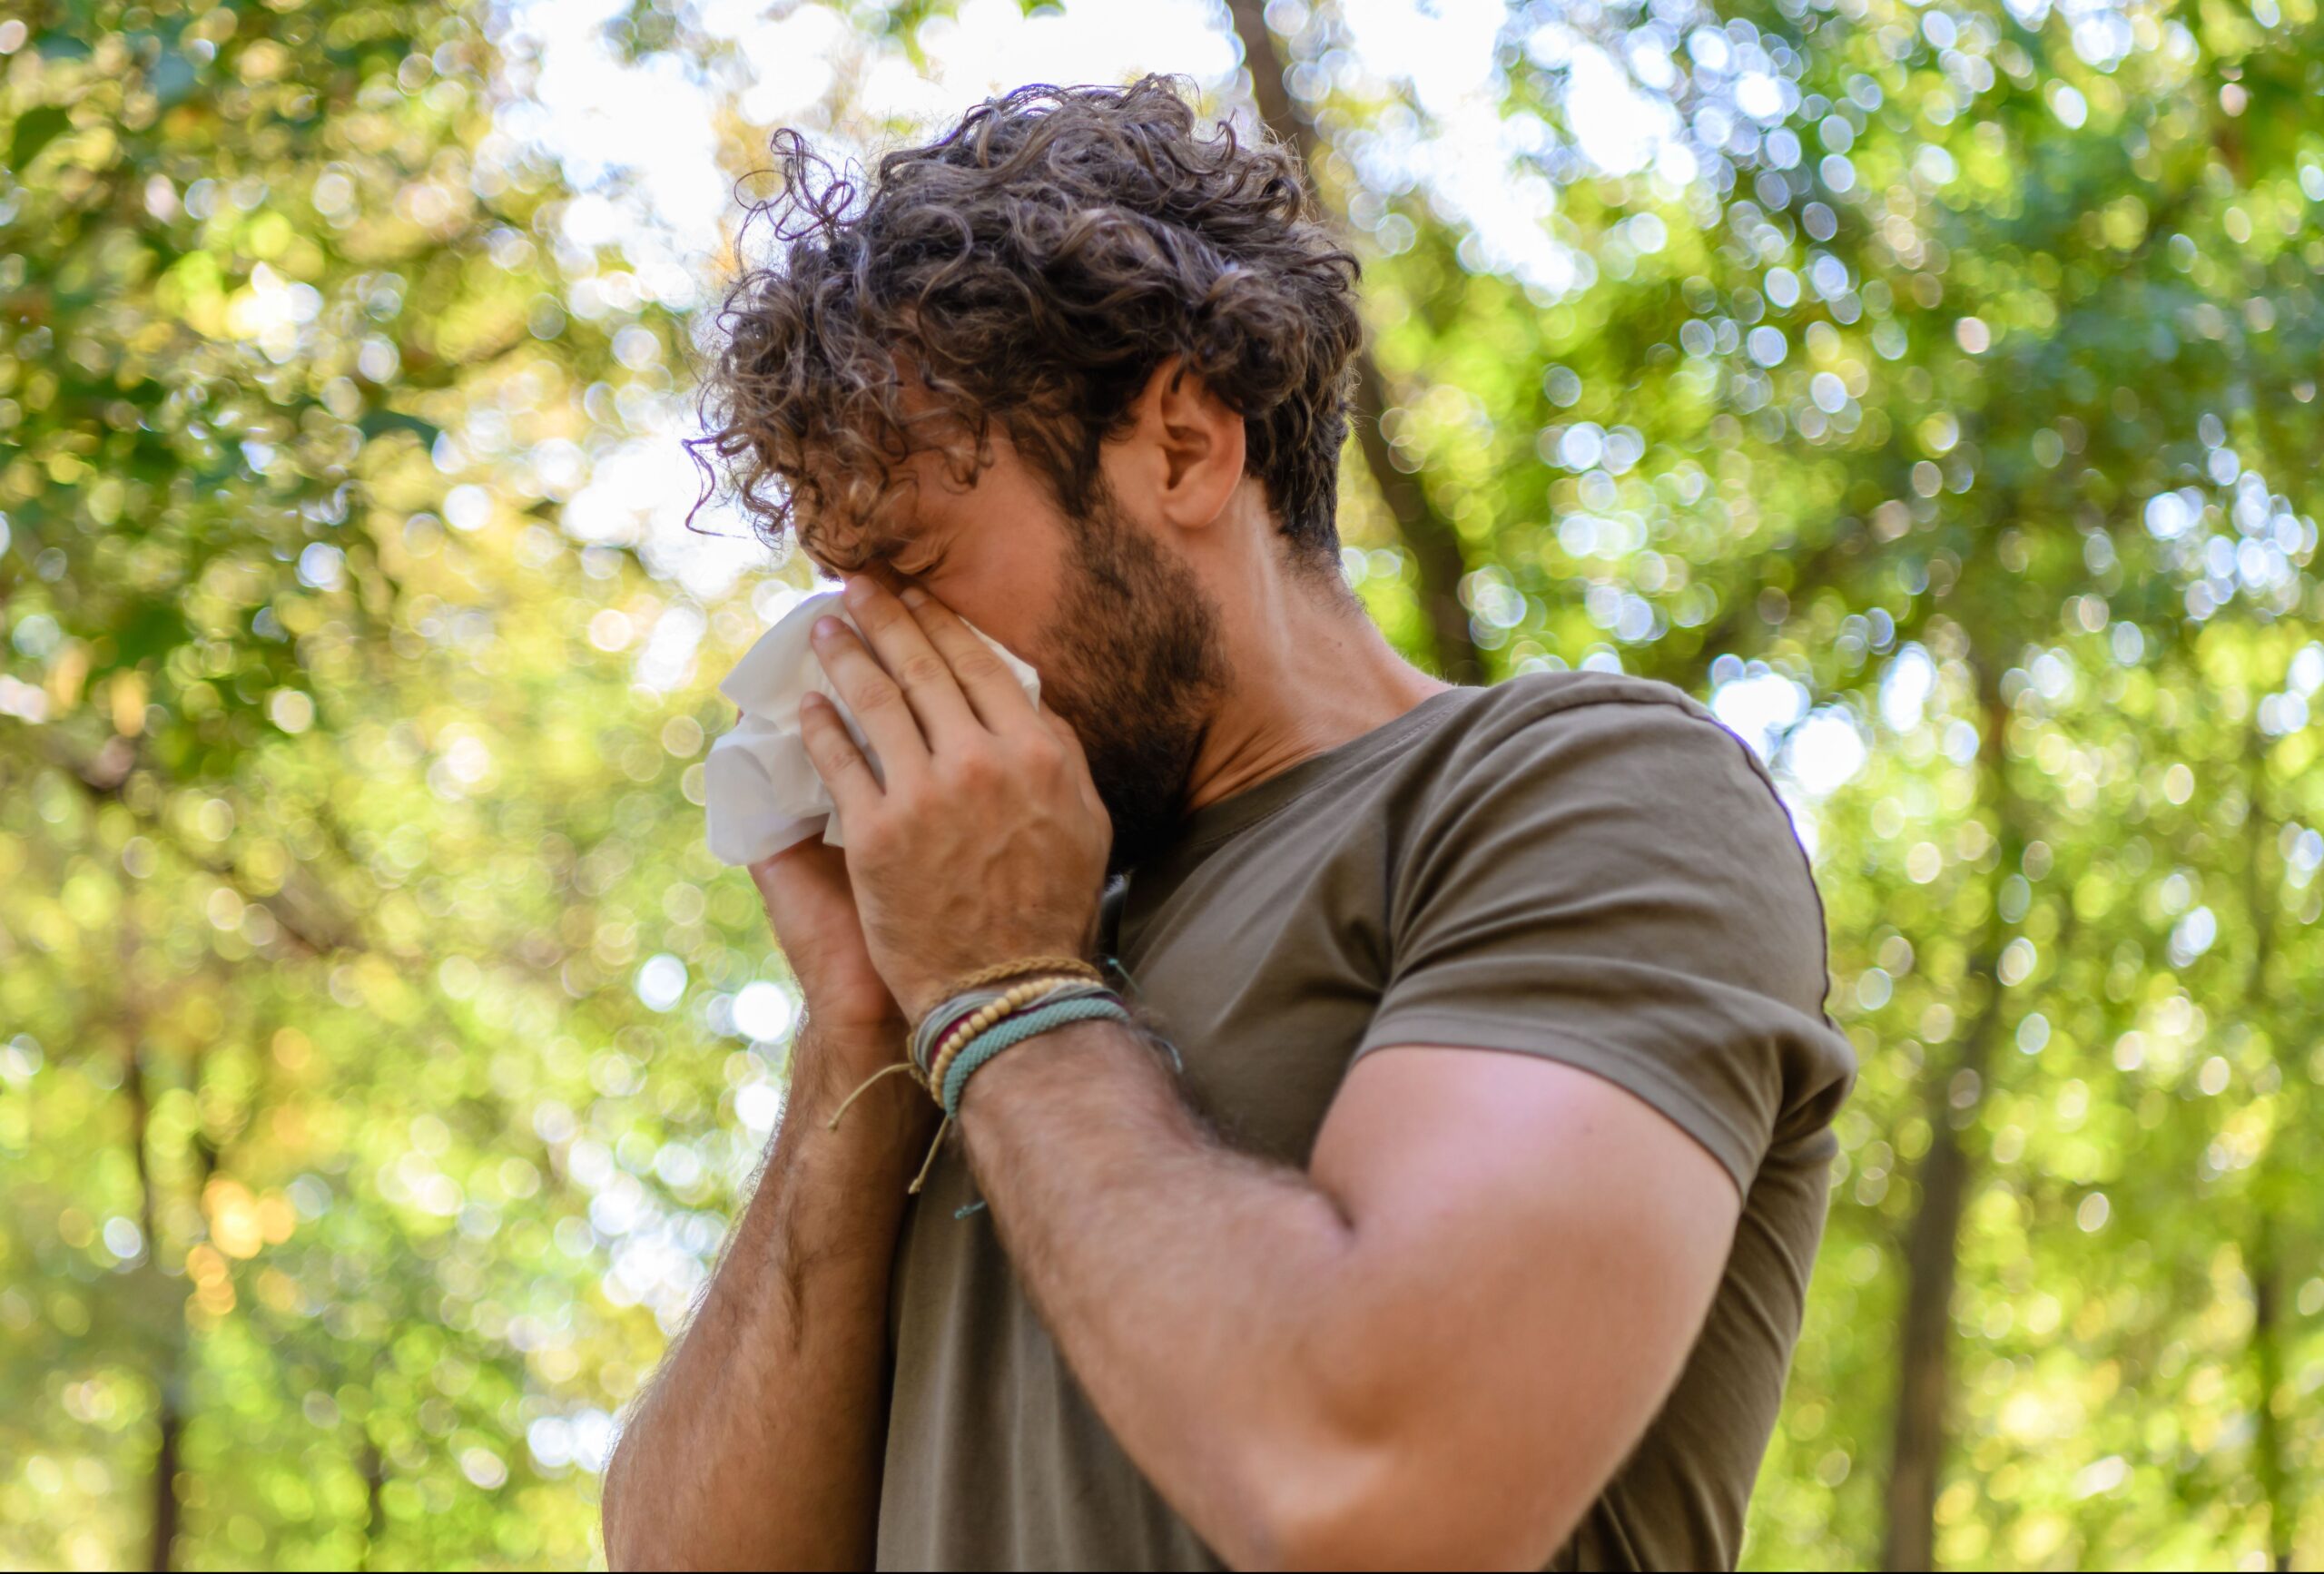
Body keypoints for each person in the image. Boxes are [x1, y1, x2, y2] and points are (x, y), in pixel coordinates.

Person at [601, 76, 1854, 1571]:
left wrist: (1007, 993)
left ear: (1184, 447)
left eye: (918, 565)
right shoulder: (985, 944)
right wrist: (864, 1035)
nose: (862, 656)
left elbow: (1375, 1490)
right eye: (842, 592)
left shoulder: (1585, 792)